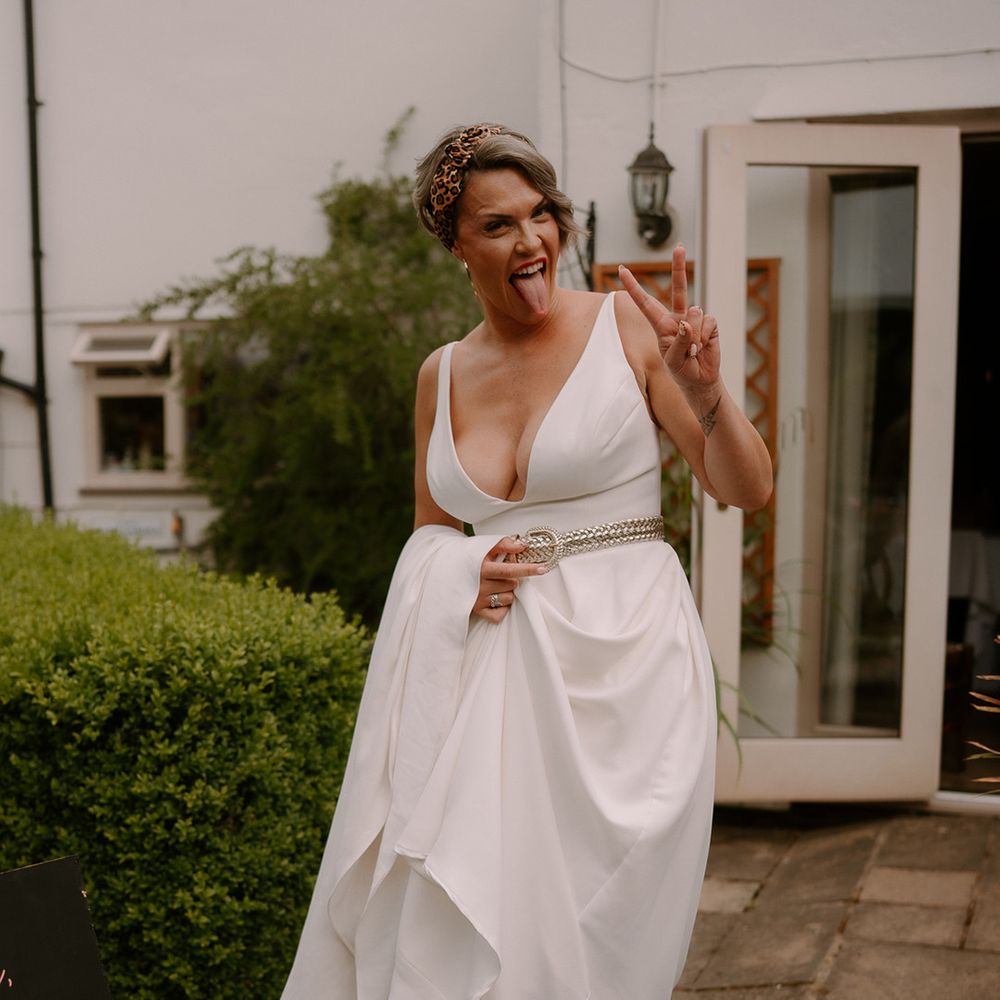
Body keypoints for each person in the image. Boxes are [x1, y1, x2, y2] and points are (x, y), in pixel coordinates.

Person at [282, 123, 773, 1000]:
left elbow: (746, 487)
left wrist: (704, 393)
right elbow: (432, 535)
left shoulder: (627, 328)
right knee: (464, 923)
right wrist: (458, 573)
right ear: (455, 243)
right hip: (490, 677)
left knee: (599, 941)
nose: (533, 239)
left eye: (541, 215)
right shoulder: (440, 374)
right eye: (499, 224)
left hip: (629, 674)